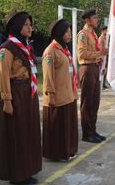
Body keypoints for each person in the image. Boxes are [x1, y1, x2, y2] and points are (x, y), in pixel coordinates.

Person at [0, 11, 42, 185]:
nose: (30, 27)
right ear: (16, 27)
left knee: (28, 131)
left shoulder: (24, 47)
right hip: (15, 93)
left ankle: (28, 169)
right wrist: (7, 100)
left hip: (27, 92)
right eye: (26, 24)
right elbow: (3, 75)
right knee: (17, 134)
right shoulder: (6, 48)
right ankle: (17, 174)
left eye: (31, 24)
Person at [42, 19, 79, 161]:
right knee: (58, 128)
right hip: (57, 96)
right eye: (67, 32)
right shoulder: (50, 51)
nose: (70, 34)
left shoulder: (64, 49)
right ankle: (56, 154)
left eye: (70, 31)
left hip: (68, 94)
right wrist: (50, 94)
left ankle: (68, 150)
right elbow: (48, 75)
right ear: (59, 33)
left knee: (67, 127)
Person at [77, 9, 108, 143]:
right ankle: (86, 133)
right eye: (94, 18)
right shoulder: (83, 35)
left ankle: (92, 130)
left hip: (95, 68)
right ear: (87, 20)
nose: (97, 20)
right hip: (87, 68)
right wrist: (100, 53)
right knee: (87, 102)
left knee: (95, 102)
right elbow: (82, 54)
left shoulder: (93, 34)